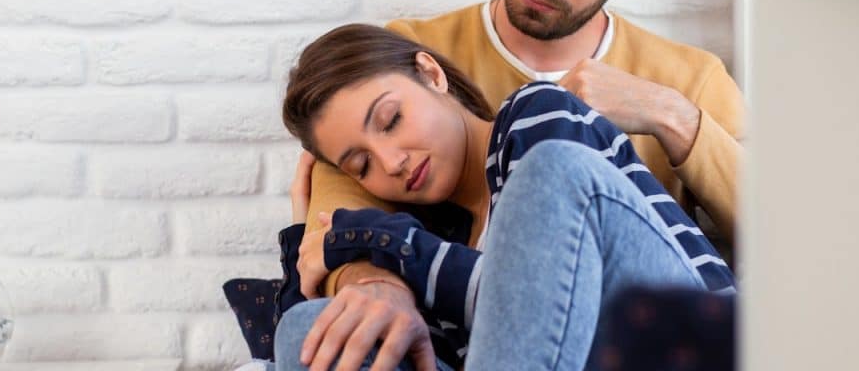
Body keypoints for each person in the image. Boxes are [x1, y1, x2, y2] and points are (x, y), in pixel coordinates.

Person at [291, 0, 744, 369]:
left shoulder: (688, 78)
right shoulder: (413, 50)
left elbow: (803, 236)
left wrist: (673, 116)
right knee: (306, 328)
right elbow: (335, 208)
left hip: (638, 329)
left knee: (554, 167)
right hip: (487, 328)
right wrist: (378, 282)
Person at [274, 24, 734, 370]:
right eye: (362, 165)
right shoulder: (436, 243)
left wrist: (382, 239)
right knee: (315, 330)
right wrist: (303, 240)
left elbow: (552, 302)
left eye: (391, 120)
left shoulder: (534, 117)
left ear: (431, 74)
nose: (391, 161)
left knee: (553, 169)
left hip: (675, 341)